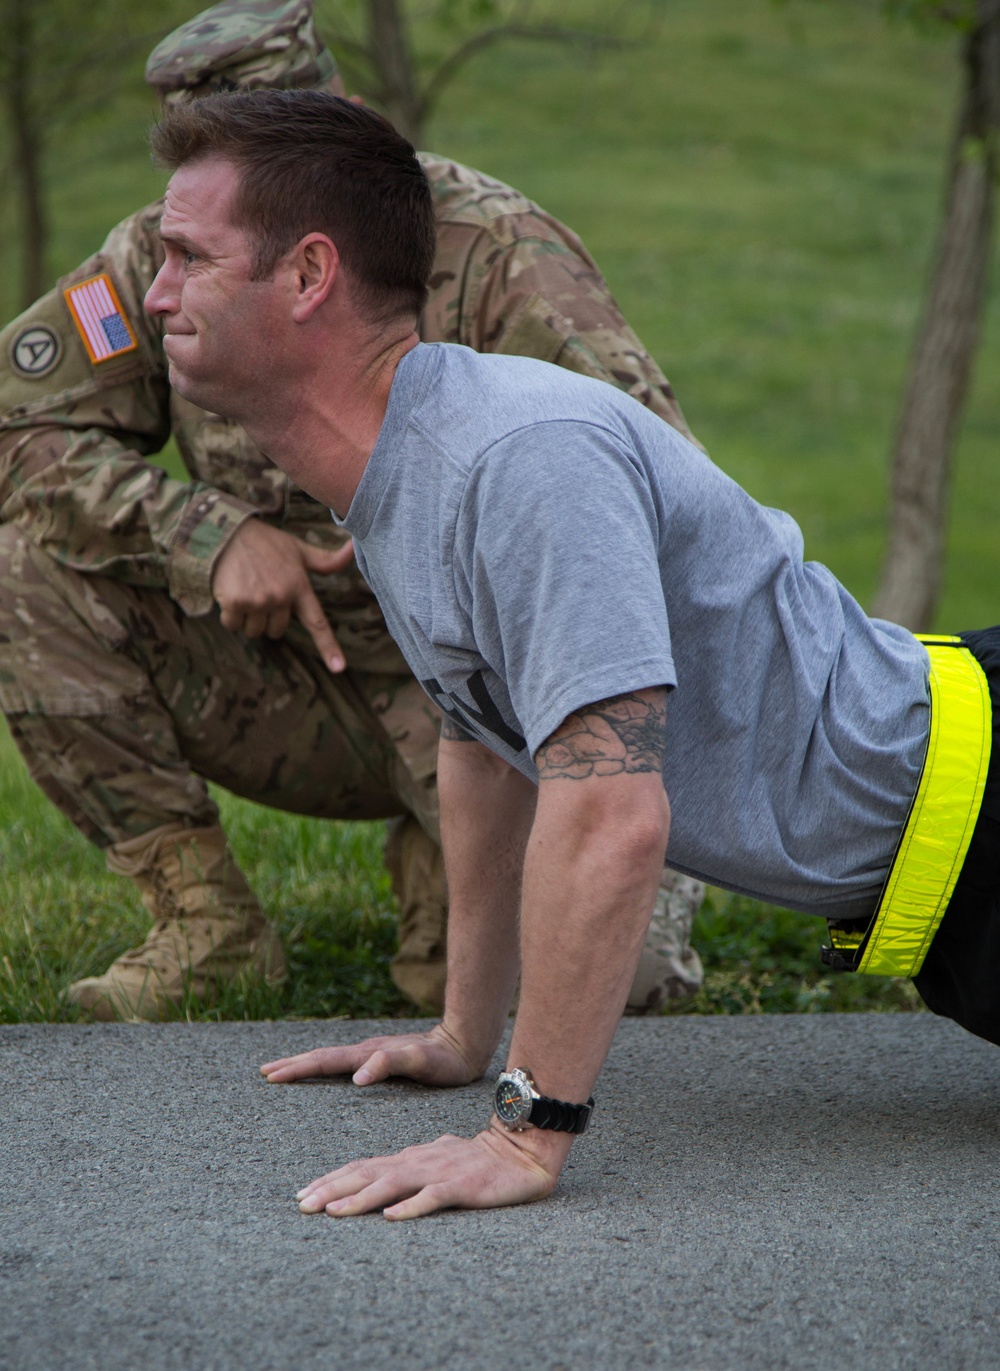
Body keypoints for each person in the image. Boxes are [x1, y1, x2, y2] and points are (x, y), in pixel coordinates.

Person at [143, 88, 1000, 1221]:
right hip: (944, 874)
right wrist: (465, 1031)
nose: (152, 295)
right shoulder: (401, 469)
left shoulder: (518, 461)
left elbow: (611, 810)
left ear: (308, 278)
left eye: (187, 258)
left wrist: (524, 1132)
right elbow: (486, 745)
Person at [0, 0, 705, 1021]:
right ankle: (207, 926)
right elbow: (21, 430)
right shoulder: (165, 257)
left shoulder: (493, 248)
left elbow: (655, 484)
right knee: (24, 569)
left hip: (488, 690)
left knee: (597, 994)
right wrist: (211, 535)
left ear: (353, 118)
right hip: (288, 668)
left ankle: (460, 854)